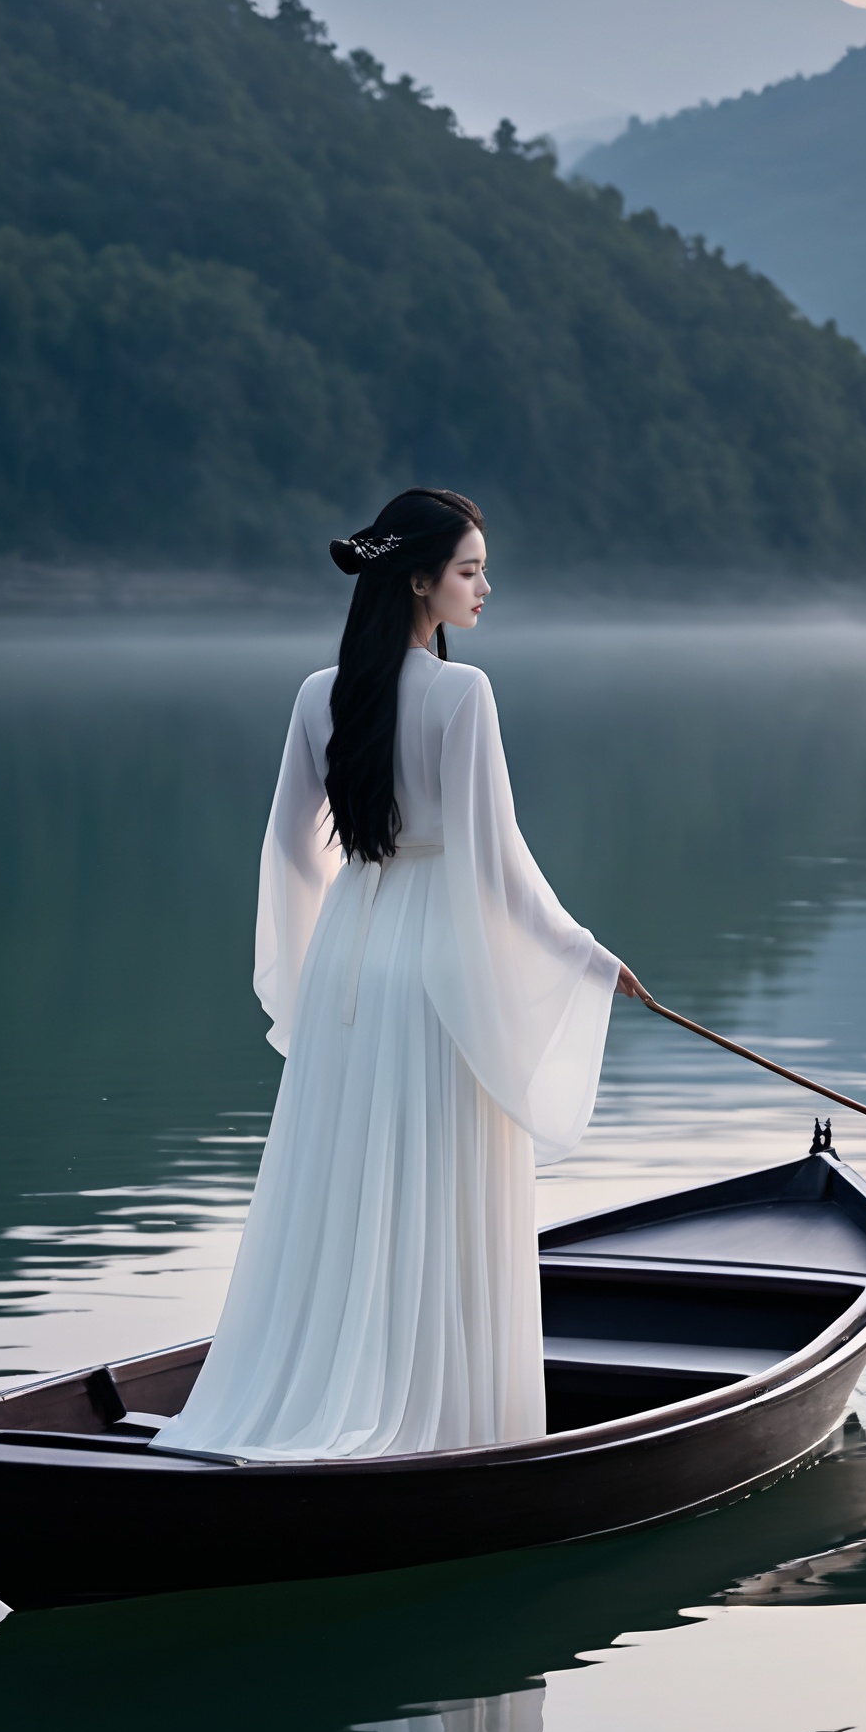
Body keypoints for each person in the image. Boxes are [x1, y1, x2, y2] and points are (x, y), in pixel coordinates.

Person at [153, 488, 639, 1460]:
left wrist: (318, 953)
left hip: (347, 955)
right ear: (419, 580)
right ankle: (448, 1425)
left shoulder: (315, 694)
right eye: (469, 570)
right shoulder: (464, 695)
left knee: (344, 1182)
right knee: (436, 1189)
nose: (484, 587)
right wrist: (586, 954)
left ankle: (316, 1395)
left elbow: (292, 849)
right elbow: (496, 867)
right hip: (434, 969)